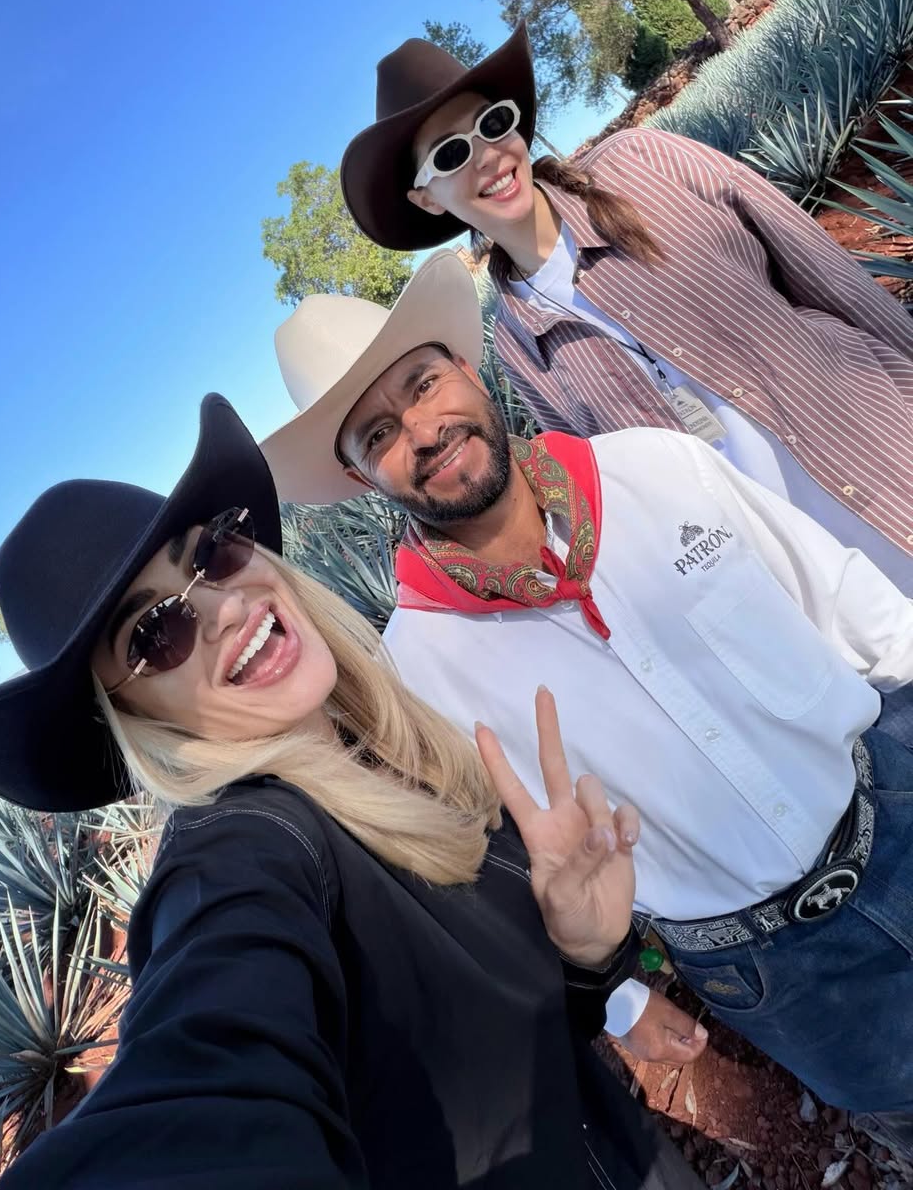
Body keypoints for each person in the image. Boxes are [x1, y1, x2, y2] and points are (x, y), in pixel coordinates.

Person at [0, 394, 703, 1190]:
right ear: (135, 714)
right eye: (155, 633)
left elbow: (502, 1039)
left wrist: (587, 961)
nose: (224, 606)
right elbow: (208, 1077)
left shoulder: (389, 753)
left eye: (212, 552)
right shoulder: (240, 855)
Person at [259, 252, 913, 1161]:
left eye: (423, 383)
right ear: (364, 477)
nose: (422, 430)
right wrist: (622, 999)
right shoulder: (418, 671)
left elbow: (839, 592)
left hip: (895, 797)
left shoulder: (656, 467)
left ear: (465, 365)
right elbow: (490, 866)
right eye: (378, 434)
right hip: (780, 973)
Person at [338, 25, 913, 607]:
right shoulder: (516, 343)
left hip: (886, 460)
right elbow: (620, 483)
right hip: (796, 583)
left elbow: (832, 279)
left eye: (492, 123)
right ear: (426, 198)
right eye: (451, 153)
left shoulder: (643, 164)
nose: (487, 154)